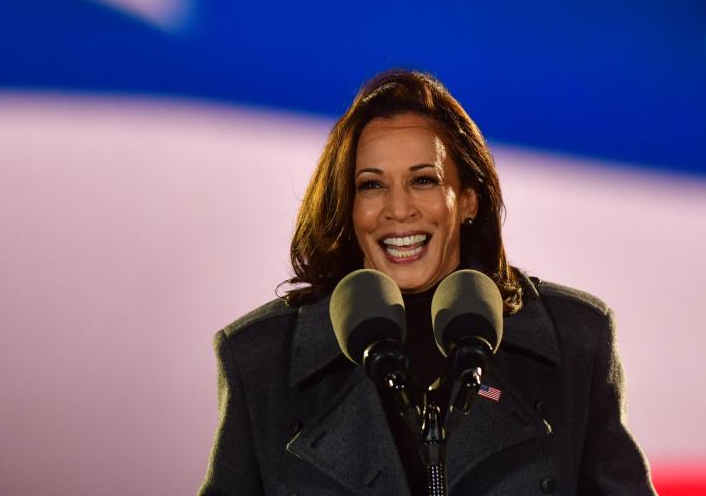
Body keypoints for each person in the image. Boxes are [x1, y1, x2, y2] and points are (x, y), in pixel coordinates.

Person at [198, 70, 655, 495]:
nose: (399, 209)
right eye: (371, 186)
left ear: (469, 199)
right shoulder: (259, 359)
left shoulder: (576, 339)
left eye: (423, 180)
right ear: (347, 208)